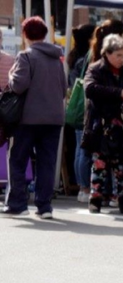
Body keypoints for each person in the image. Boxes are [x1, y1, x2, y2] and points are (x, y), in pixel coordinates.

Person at [2, 17, 67, 218]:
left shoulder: (26, 57)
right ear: (45, 34)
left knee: (18, 159)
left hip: (27, 119)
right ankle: (44, 206)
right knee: (46, 162)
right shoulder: (57, 58)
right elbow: (64, 89)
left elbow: (19, 85)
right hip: (54, 118)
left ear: (25, 35)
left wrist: (11, 76)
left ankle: (18, 203)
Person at [82, 34, 123, 214]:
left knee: (122, 165)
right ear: (107, 53)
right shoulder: (95, 69)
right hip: (100, 124)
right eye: (118, 55)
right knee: (99, 163)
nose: (121, 59)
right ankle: (96, 198)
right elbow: (90, 89)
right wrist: (119, 93)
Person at [66, 23, 96, 203]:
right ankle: (84, 186)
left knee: (79, 147)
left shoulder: (74, 57)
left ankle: (80, 187)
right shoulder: (85, 59)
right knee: (83, 148)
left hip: (75, 106)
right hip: (84, 107)